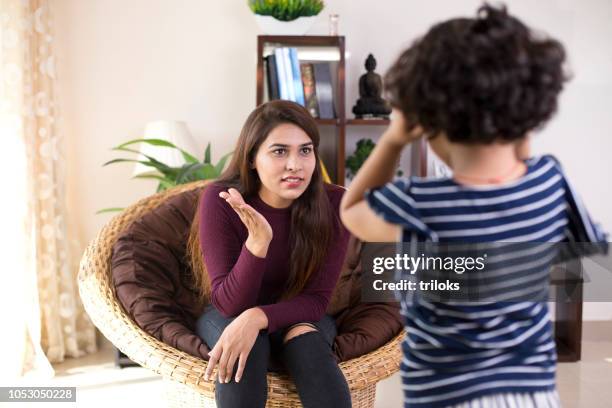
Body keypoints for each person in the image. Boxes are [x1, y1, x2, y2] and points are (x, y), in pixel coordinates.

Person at [340, 4, 607, 408]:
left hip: (446, 397)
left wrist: (394, 138)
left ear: (427, 123)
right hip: (531, 395)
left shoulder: (418, 202)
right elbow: (593, 247)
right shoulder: (551, 181)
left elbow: (352, 211)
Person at [186, 99, 351, 408]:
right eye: (279, 151)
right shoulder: (221, 200)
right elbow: (229, 302)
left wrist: (258, 317)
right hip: (228, 312)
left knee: (308, 346)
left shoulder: (334, 203)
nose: (295, 165)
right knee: (244, 354)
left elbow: (316, 300)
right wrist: (257, 243)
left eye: (305, 150)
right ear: (251, 158)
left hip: (300, 313)